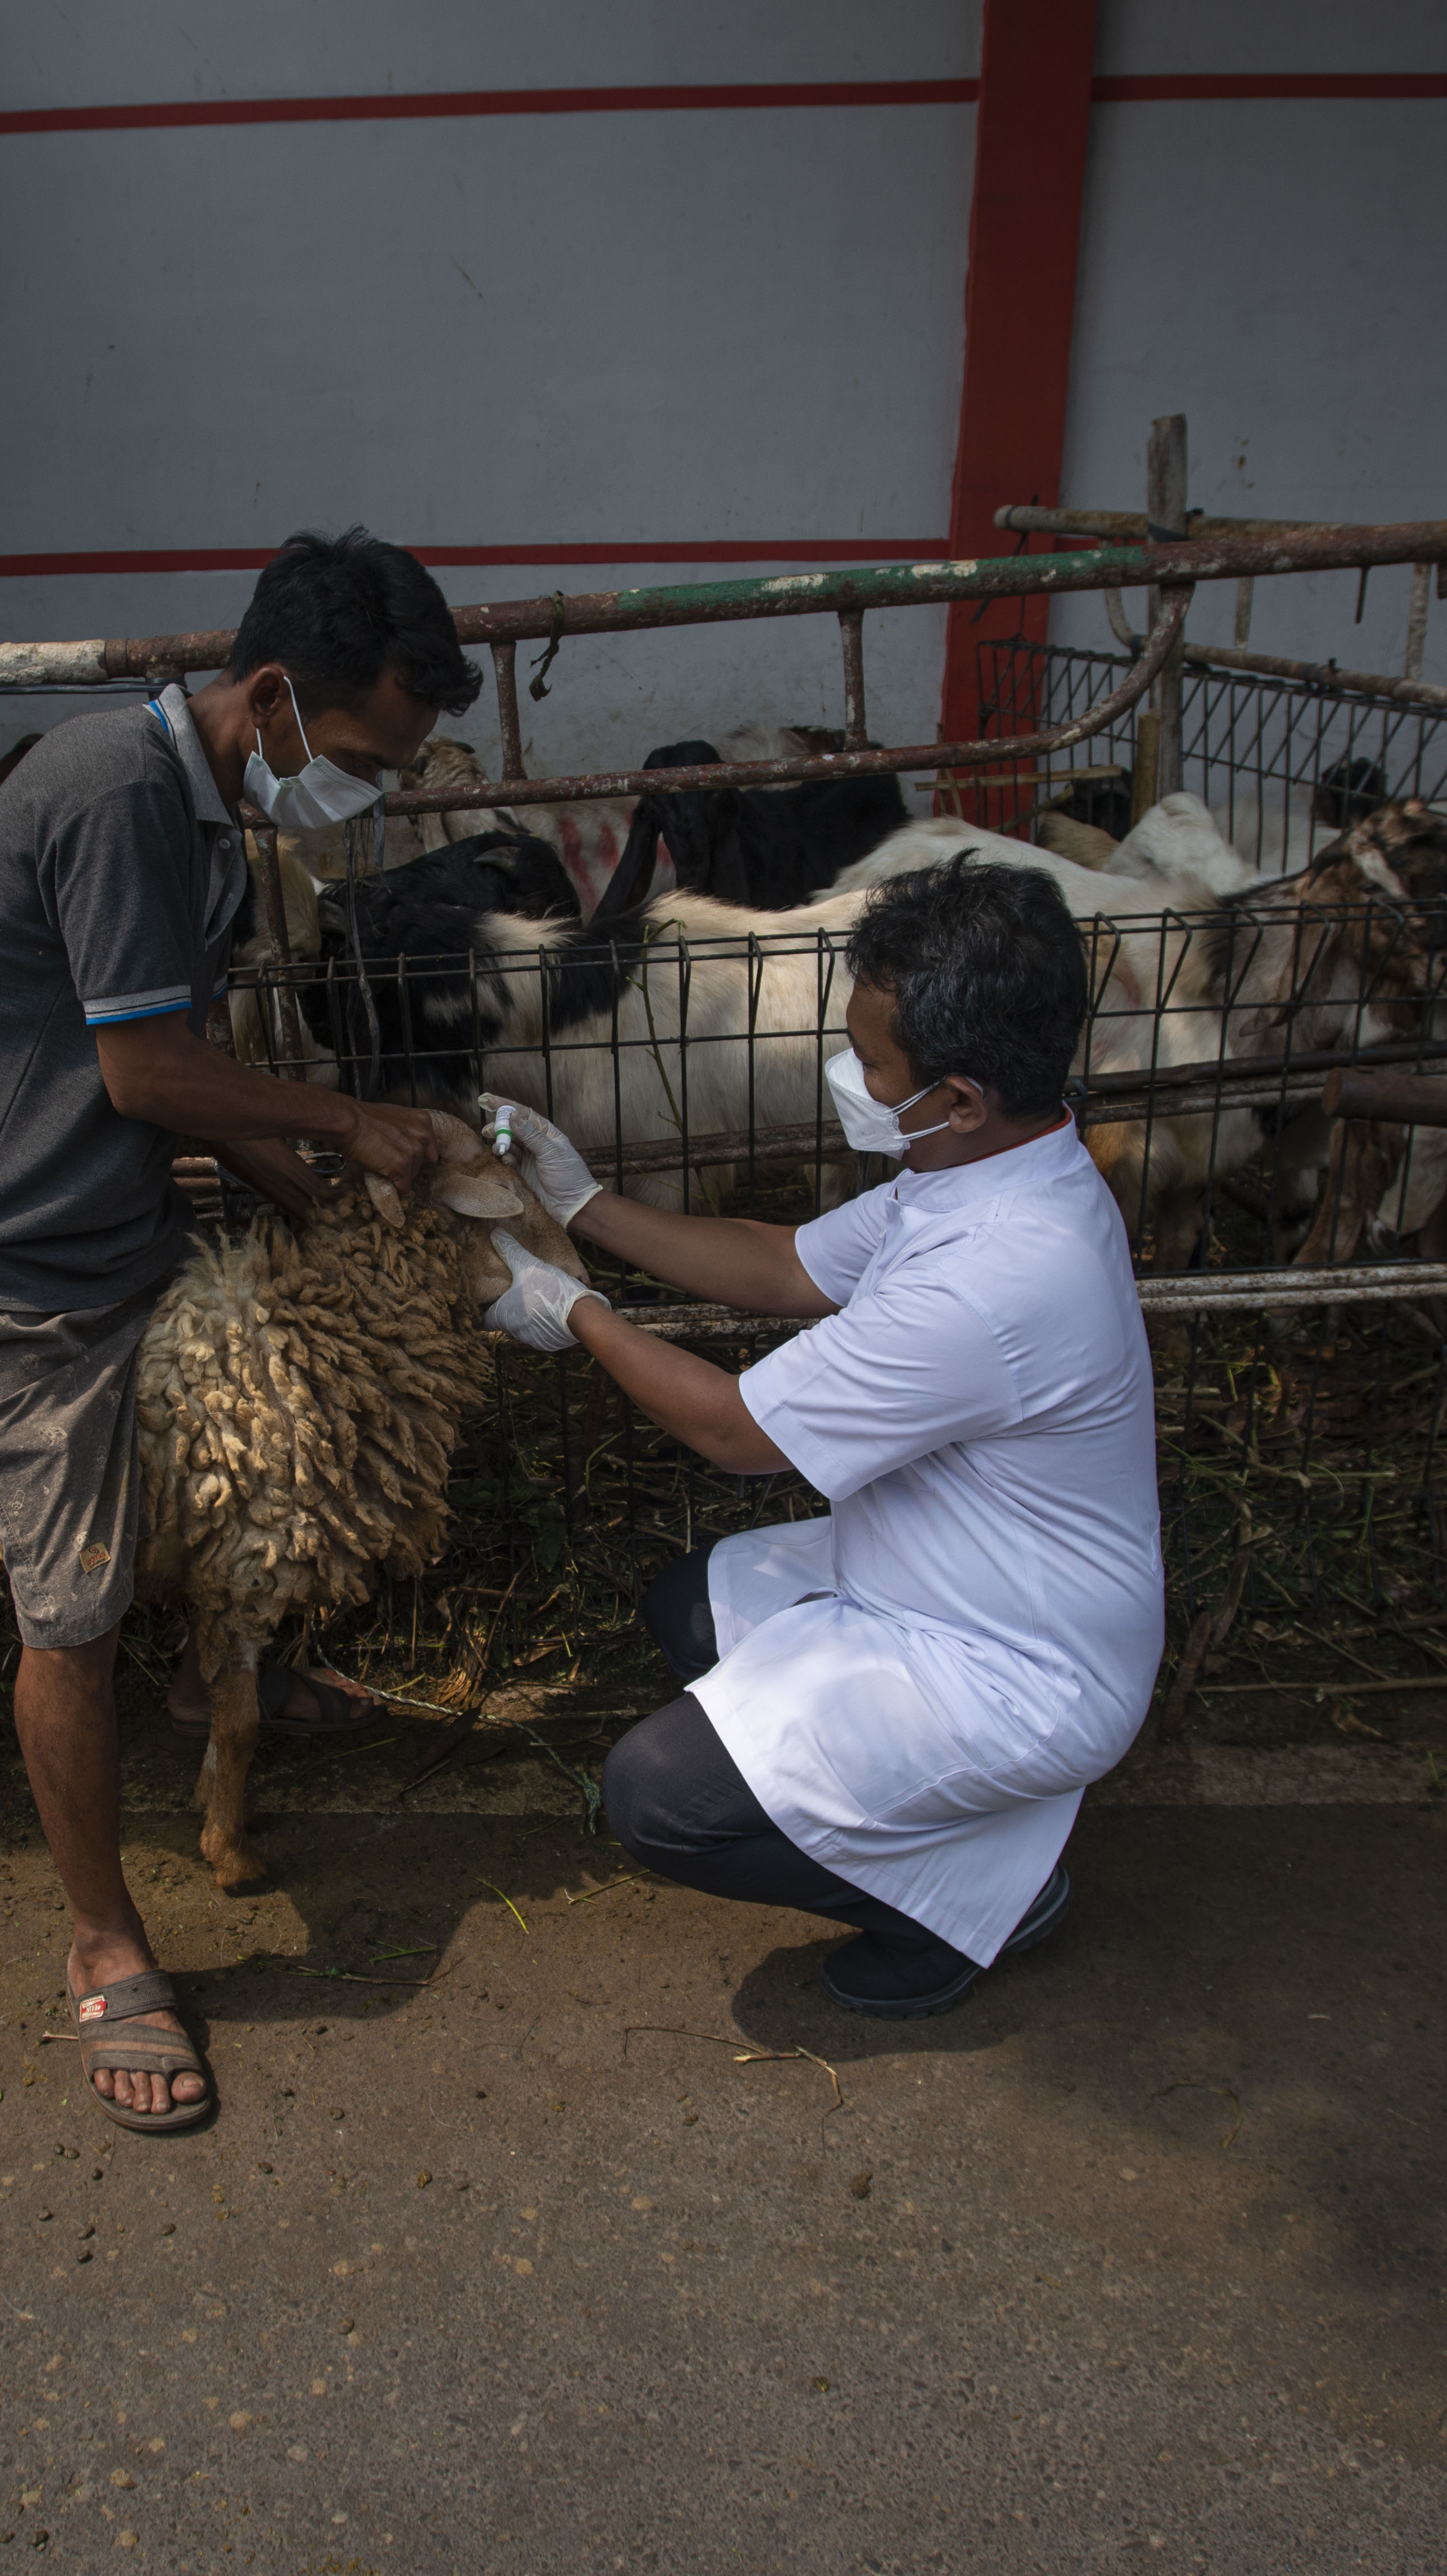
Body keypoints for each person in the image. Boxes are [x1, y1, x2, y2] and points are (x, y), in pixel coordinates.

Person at [0, 529, 479, 2132]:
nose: (365, 790)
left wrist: (296, 1186)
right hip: (5, 1270)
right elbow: (144, 1075)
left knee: (251, 1432)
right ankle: (105, 1936)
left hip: (105, 1212)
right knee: (69, 1605)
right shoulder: (116, 793)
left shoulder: (203, 813)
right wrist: (343, 1126)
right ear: (270, 696)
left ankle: (213, 1687)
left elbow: (167, 1061)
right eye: (356, 756)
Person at [475, 857, 1167, 2016]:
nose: (850, 1076)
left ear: (956, 1094)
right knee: (688, 1606)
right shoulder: (980, 1161)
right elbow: (783, 1263)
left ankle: (956, 1911)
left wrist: (571, 1306)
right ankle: (956, 1827)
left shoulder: (1000, 1273)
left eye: (871, 1064)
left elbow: (738, 1433)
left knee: (657, 1797)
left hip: (1019, 1667)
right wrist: (582, 1205)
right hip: (950, 1575)